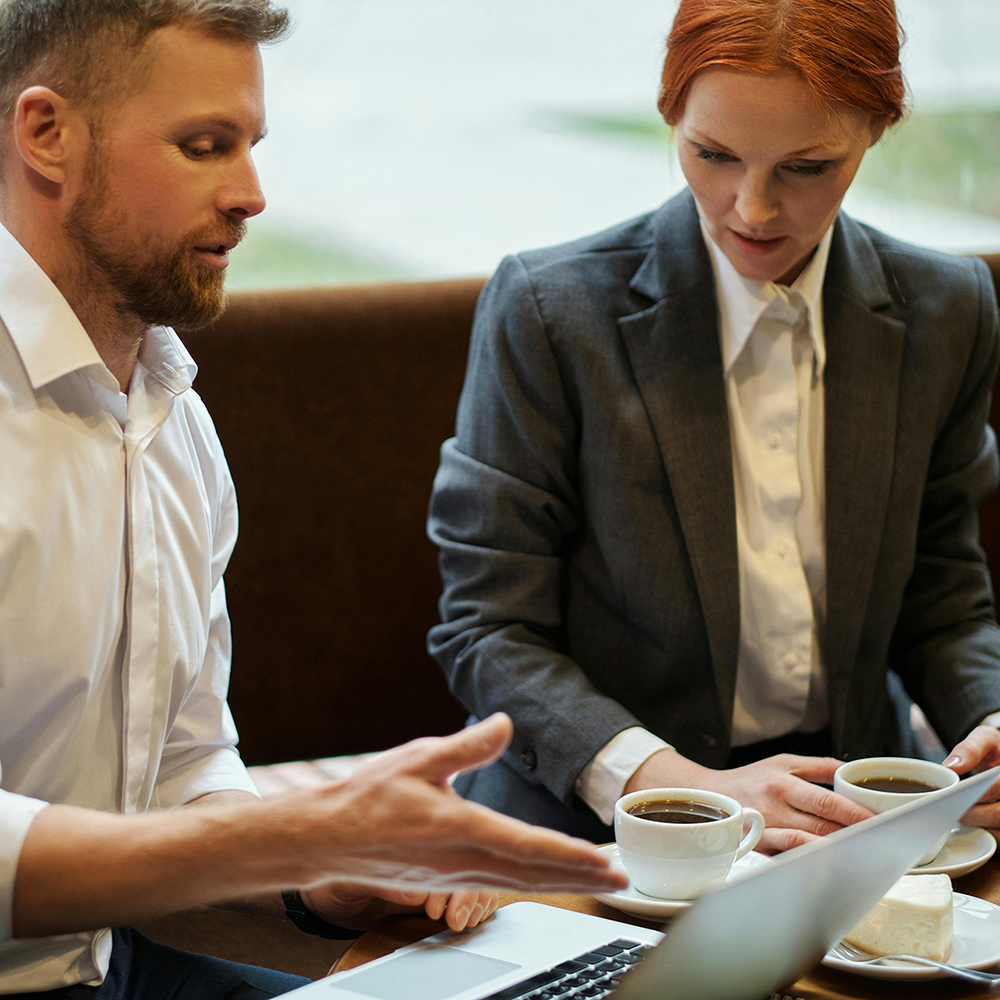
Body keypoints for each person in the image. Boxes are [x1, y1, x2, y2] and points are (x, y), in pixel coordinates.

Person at [0, 2, 626, 997]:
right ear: (47, 135)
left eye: (249, 146)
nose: (250, 194)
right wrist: (285, 834)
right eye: (203, 146)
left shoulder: (172, 416)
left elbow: (178, 767)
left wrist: (319, 873)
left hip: (110, 964)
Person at [428, 0, 1000, 853]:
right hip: (596, 813)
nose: (753, 209)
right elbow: (487, 628)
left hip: (849, 812)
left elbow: (944, 602)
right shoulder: (552, 314)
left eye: (807, 167)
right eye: (713, 155)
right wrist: (687, 792)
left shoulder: (946, 311)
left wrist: (988, 722)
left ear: (877, 131)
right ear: (670, 115)